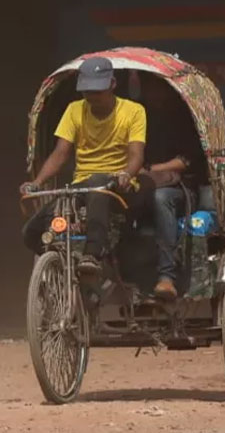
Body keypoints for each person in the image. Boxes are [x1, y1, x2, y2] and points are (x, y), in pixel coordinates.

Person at [21, 56, 148, 274]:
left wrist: (126, 174)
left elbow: (136, 155)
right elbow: (60, 153)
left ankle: (92, 254)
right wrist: (37, 182)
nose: (92, 97)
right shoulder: (74, 110)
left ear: (112, 85)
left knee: (99, 183)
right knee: (31, 232)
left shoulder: (134, 111)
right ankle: (61, 272)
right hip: (82, 186)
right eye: (87, 91)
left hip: (117, 188)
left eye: (97, 91)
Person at [137, 74, 213, 300]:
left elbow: (186, 160)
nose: (152, 92)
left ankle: (166, 277)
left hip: (181, 189)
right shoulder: (137, 114)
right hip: (142, 183)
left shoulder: (184, 117)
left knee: (161, 198)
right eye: (147, 86)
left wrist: (151, 169)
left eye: (156, 87)